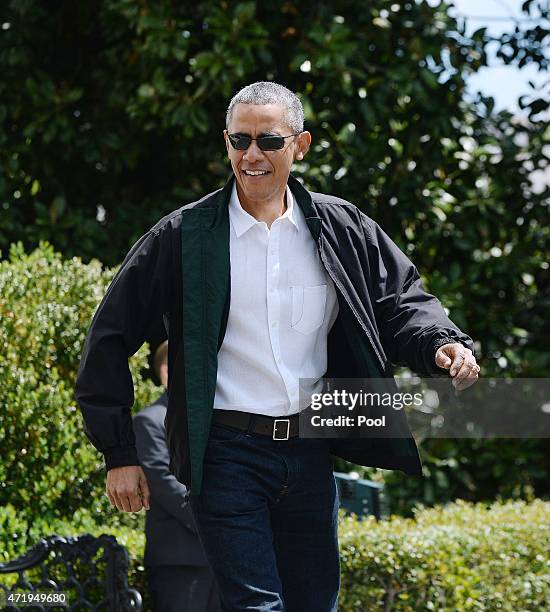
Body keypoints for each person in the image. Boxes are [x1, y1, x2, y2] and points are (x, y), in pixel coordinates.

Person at [75, 81, 480, 611]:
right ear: (226, 145)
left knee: (315, 604)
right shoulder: (183, 236)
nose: (252, 155)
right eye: (239, 141)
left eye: (268, 140)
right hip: (224, 454)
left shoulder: (342, 228)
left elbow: (400, 302)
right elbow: (109, 337)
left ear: (300, 145)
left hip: (310, 450)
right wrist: (119, 453)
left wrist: (441, 344)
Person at [133, 339, 220, 612]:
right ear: (166, 372)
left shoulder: (215, 419)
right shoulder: (149, 422)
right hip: (181, 562)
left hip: (223, 558)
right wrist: (221, 520)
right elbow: (165, 485)